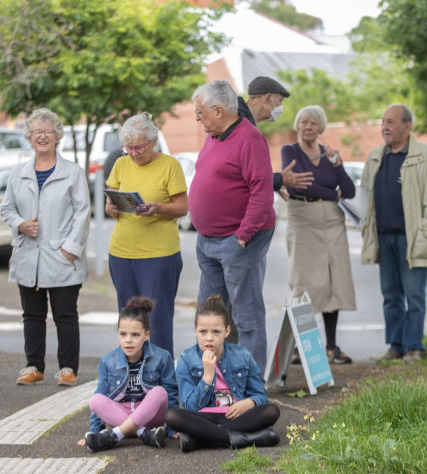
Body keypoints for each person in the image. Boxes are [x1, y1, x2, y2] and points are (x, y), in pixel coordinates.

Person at [188, 80, 276, 371]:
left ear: (218, 110)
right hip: (209, 240)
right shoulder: (213, 136)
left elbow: (262, 193)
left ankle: (251, 386)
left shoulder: (250, 139)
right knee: (210, 316)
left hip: (237, 240)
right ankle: (213, 377)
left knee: (246, 316)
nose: (197, 118)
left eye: (200, 112)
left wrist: (243, 236)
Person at [0, 108, 90, 386]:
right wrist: (21, 224)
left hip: (62, 256)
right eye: (36, 131)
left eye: (47, 131)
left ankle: (68, 369)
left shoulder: (72, 173)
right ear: (29, 138)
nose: (42, 136)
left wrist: (70, 249)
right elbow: (7, 208)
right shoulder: (19, 172)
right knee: (32, 315)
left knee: (64, 315)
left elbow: (83, 212)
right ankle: (33, 366)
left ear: (57, 137)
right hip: (28, 254)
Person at [360, 104, 427, 364]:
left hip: (412, 237)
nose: (385, 127)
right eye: (383, 122)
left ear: (407, 127)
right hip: (383, 237)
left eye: (391, 122)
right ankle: (395, 346)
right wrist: (365, 227)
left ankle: (414, 346)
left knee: (414, 295)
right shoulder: (376, 155)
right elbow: (364, 196)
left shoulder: (424, 155)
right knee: (390, 295)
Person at [105, 113, 188, 356]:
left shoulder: (170, 165)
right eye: (128, 147)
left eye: (138, 147)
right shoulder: (120, 164)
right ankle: (132, 376)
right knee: (128, 320)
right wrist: (110, 207)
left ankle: (161, 382)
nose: (132, 153)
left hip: (159, 255)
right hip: (122, 253)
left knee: (158, 319)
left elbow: (183, 208)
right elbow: (111, 206)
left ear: (152, 142)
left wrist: (158, 208)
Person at [281, 105, 356, 364]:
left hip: (332, 222)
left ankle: (332, 347)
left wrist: (338, 163)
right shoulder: (289, 151)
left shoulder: (329, 154)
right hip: (303, 218)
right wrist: (331, 193)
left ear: (321, 127)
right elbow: (303, 184)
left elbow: (349, 190)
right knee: (303, 283)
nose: (308, 127)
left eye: (314, 123)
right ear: (298, 125)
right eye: (304, 122)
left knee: (332, 282)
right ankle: (297, 348)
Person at [165, 295, 280, 453]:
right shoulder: (186, 359)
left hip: (236, 416)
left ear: (227, 331)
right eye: (203, 331)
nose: (209, 338)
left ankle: (202, 440)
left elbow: (260, 396)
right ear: (195, 331)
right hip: (203, 418)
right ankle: (244, 438)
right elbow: (189, 406)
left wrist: (249, 403)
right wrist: (207, 377)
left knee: (272, 411)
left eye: (216, 332)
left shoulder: (243, 355)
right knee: (172, 416)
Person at [81, 296, 178, 452]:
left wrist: (172, 428)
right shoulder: (108, 361)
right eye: (123, 334)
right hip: (120, 414)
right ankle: (143, 434)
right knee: (95, 400)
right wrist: (94, 431)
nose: (128, 340)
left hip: (150, 416)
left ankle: (115, 435)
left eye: (135, 335)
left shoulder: (162, 357)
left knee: (160, 392)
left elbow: (171, 395)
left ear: (146, 335)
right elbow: (102, 394)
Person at [237, 76, 313, 195]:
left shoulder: (241, 121)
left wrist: (273, 184)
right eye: (280, 101)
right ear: (267, 98)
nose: (280, 108)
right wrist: (280, 180)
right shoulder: (239, 125)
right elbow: (241, 177)